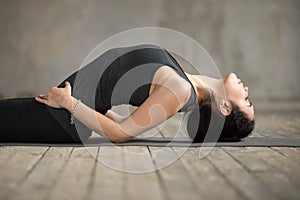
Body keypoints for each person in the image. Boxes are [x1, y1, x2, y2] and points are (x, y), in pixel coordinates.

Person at [0, 44, 254, 143]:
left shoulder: (180, 91)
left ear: (226, 108)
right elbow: (122, 123)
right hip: (60, 113)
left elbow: (119, 134)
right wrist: (102, 107)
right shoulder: (184, 82)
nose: (246, 90)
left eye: (247, 100)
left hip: (61, 121)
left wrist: (70, 103)